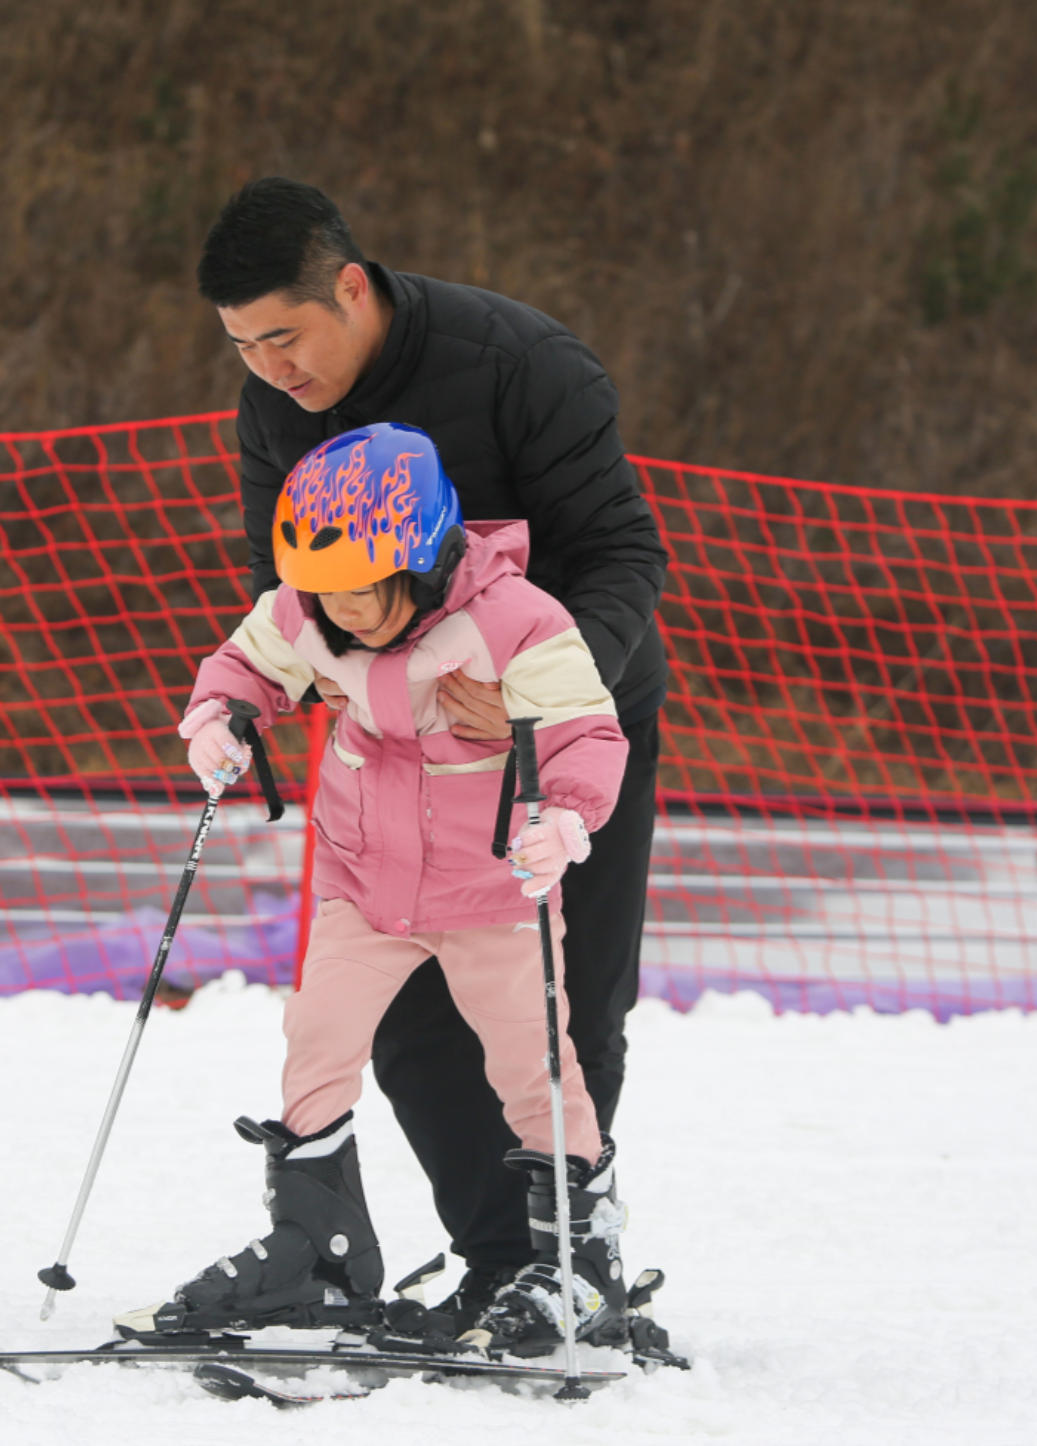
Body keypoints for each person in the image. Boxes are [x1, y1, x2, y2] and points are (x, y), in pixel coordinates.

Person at [193, 178, 669, 1334]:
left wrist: (527, 693)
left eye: (284, 337)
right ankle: (501, 1261)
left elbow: (620, 554)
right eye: (243, 346)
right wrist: (266, 691)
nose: (268, 368)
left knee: (561, 1003)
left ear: (350, 289)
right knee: (404, 1024)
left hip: (564, 721)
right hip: (395, 757)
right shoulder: (275, 410)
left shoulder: (520, 365)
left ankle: (567, 1264)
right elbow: (290, 599)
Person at [126, 422, 631, 1355]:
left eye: (361, 590)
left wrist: (565, 814)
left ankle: (577, 1262)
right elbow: (249, 665)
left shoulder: (518, 621)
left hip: (491, 888)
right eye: (324, 592)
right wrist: (221, 716)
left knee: (533, 1064)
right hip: (364, 883)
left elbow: (585, 729)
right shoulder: (305, 609)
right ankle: (321, 1252)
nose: (343, 612)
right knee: (316, 1041)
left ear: (427, 561)